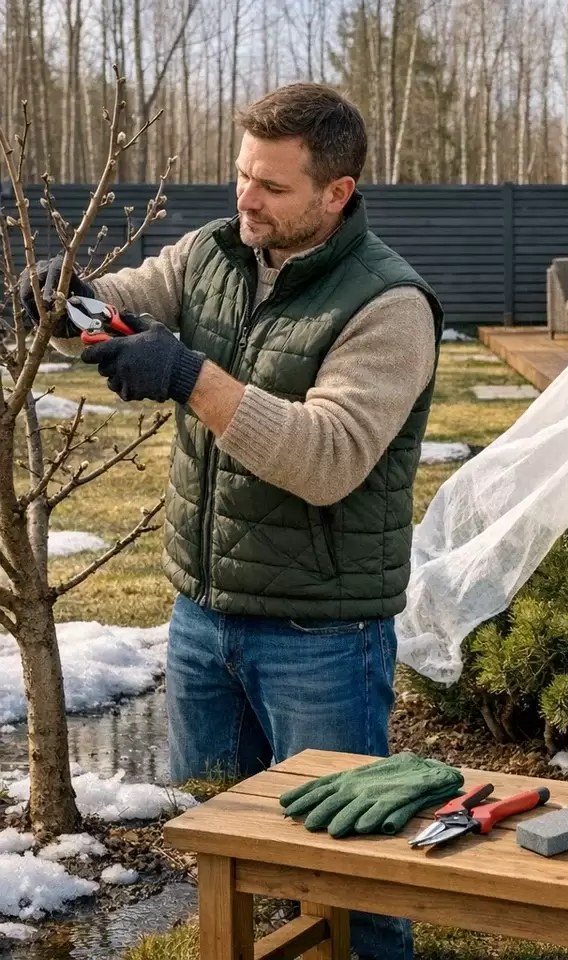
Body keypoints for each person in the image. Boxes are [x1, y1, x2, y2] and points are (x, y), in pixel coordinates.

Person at [20, 82, 443, 960]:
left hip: (321, 634)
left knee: (348, 871)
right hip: (203, 620)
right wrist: (67, 301)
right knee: (217, 850)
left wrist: (191, 378)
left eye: (272, 187)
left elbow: (329, 459)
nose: (246, 198)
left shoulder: (390, 306)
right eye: (241, 175)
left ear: (338, 191)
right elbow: (124, 307)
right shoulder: (211, 253)